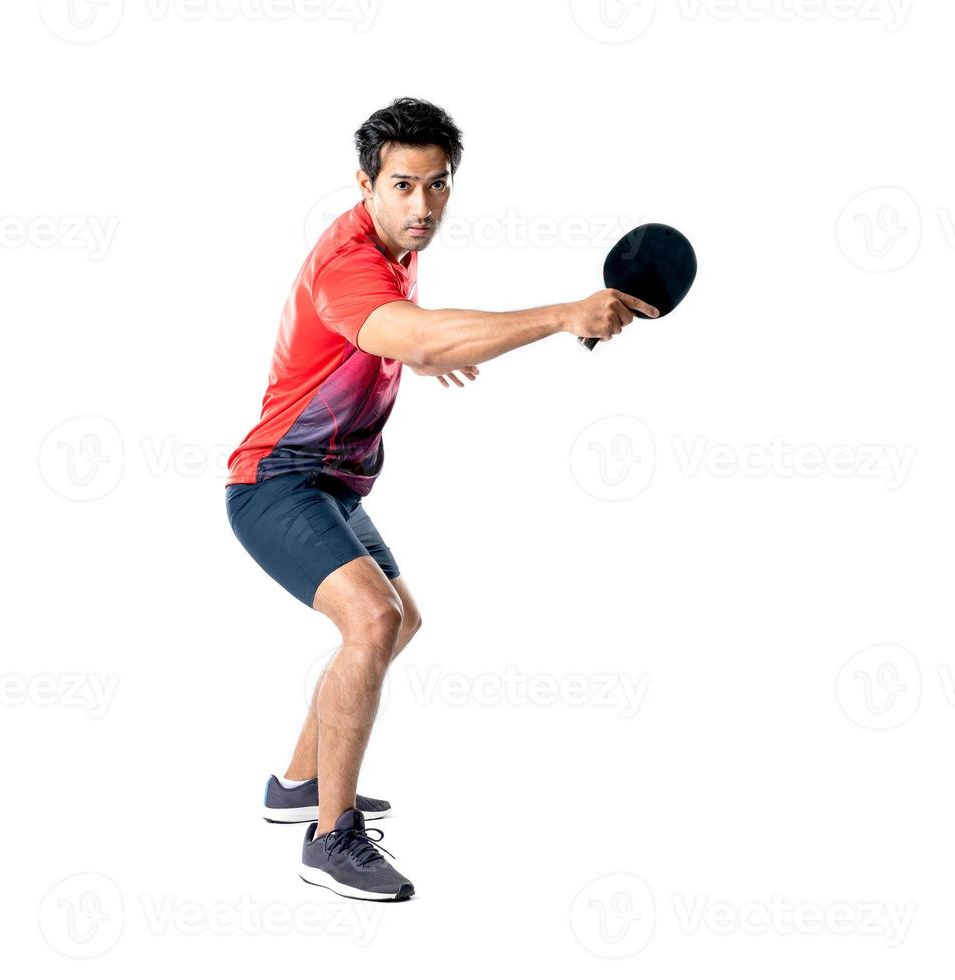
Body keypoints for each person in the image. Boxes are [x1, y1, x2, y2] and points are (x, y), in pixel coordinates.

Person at [224, 97, 657, 902]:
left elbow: (395, 330)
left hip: (332, 482)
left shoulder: (393, 247)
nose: (422, 207)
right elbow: (414, 330)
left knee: (401, 619)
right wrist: (562, 314)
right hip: (275, 482)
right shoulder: (350, 260)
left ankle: (296, 785)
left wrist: (406, 350)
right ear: (365, 184)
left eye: (438, 185)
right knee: (373, 620)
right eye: (402, 186)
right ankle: (330, 837)